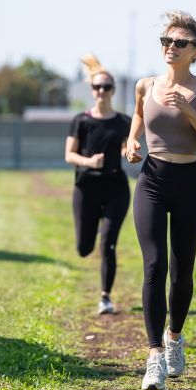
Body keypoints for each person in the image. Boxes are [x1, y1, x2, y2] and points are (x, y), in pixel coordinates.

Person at [126, 11, 196, 390]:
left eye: (180, 43)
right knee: (154, 266)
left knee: (182, 271)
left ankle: (174, 337)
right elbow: (137, 118)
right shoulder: (145, 85)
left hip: (188, 182)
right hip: (151, 180)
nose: (171, 47)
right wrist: (130, 142)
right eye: (166, 41)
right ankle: (154, 358)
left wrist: (188, 110)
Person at [65, 55, 131, 315]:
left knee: (108, 243)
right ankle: (88, 235)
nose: (101, 91)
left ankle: (105, 297)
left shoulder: (124, 122)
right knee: (84, 248)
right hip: (86, 187)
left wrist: (129, 151)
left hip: (116, 187)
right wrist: (89, 162)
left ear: (113, 90)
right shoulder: (81, 120)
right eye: (97, 87)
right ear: (91, 90)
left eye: (106, 87)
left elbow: (128, 147)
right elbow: (69, 155)